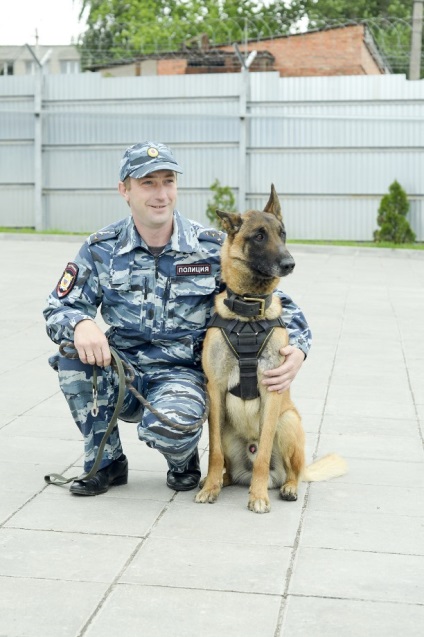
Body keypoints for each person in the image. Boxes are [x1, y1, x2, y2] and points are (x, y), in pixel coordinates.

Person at [43, 141, 312, 496]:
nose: (160, 194)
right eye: (147, 183)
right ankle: (105, 462)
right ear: (124, 189)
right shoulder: (100, 248)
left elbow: (274, 299)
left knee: (173, 425)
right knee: (72, 358)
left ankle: (183, 461)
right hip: (124, 371)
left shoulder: (209, 245)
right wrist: (81, 324)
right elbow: (56, 308)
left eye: (168, 181)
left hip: (182, 375)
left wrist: (299, 350)